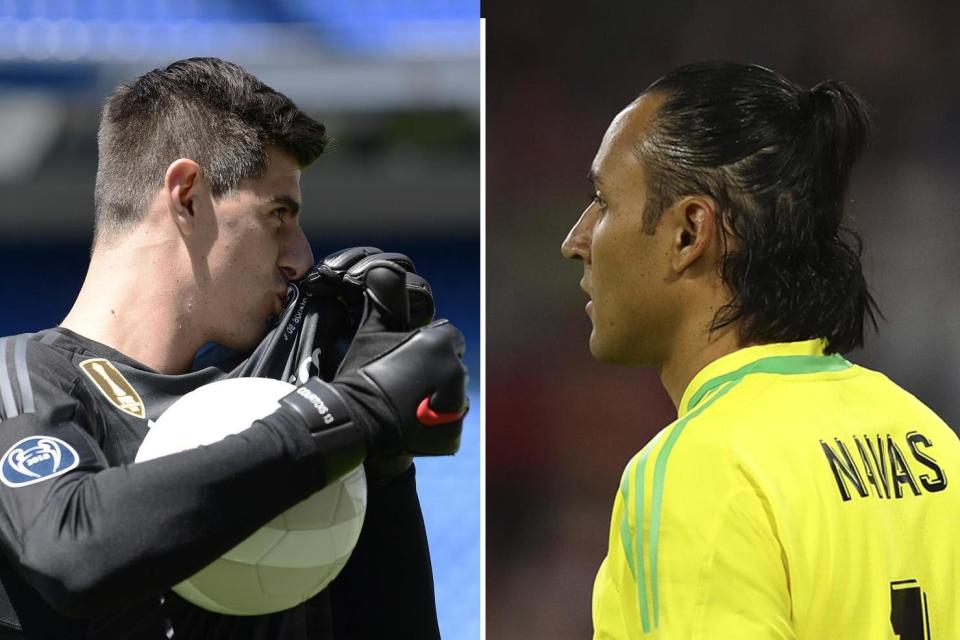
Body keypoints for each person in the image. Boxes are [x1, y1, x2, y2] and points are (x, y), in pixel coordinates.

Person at [0, 57, 467, 639]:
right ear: (188, 195)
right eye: (278, 215)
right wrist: (354, 413)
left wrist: (384, 456)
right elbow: (70, 551)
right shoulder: (23, 377)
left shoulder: (268, 412)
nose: (301, 258)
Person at [561, 62, 960, 639]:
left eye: (602, 201)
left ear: (688, 233)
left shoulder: (704, 468)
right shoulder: (928, 438)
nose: (576, 240)